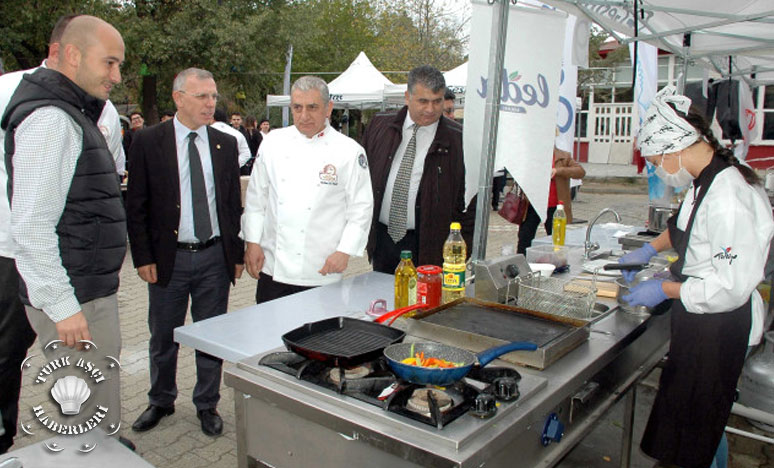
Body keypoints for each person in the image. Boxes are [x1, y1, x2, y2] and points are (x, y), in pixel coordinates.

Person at [619, 86, 774, 468]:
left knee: (693, 429)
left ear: (675, 147)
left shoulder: (729, 197)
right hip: (699, 321)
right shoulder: (705, 178)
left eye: (656, 160)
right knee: (693, 424)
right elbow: (683, 226)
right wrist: (648, 250)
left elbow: (730, 286)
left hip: (718, 326)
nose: (657, 169)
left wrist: (664, 288)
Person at [2, 14, 129, 446]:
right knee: (87, 413)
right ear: (73, 55)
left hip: (82, 291)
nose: (116, 76)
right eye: (109, 63)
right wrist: (63, 307)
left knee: (93, 405)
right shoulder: (52, 119)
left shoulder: (69, 112)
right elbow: (32, 226)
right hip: (75, 301)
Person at [126, 68, 244, 437]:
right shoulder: (148, 141)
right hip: (168, 259)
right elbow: (137, 205)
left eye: (213, 96)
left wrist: (236, 254)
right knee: (163, 335)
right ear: (178, 98)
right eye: (202, 97)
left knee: (210, 336)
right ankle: (161, 399)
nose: (211, 104)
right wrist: (143, 256)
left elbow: (230, 206)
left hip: (213, 257)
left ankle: (207, 404)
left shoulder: (225, 145)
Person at [242, 76, 373, 303]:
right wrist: (252, 242)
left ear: (328, 108)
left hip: (322, 269)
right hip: (274, 269)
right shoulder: (273, 142)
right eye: (297, 107)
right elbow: (256, 198)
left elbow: (361, 209)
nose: (304, 116)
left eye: (312, 107)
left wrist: (345, 251)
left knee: (320, 338)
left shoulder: (349, 151)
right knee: (268, 336)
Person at [361, 65, 472, 272]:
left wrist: (461, 251)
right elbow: (360, 180)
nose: (430, 110)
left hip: (430, 246)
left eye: (437, 101)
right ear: (407, 97)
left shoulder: (459, 140)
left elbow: (469, 203)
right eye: (423, 101)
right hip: (383, 241)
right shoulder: (379, 126)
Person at [517, 146, 585, 254]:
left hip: (555, 206)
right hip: (533, 204)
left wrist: (559, 171)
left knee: (556, 241)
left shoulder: (563, 156)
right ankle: (521, 265)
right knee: (525, 238)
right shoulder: (532, 154)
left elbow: (580, 172)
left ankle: (556, 265)